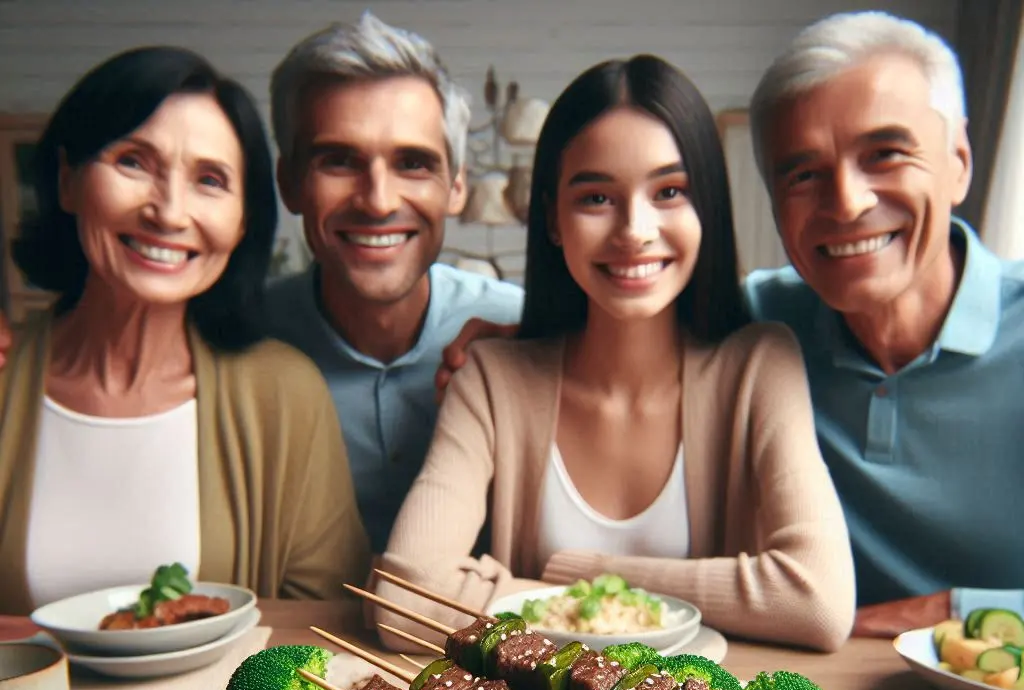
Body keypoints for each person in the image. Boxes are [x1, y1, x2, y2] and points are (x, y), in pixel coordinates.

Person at [376, 55, 856, 652]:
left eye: (670, 191)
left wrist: (577, 575)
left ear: (707, 207)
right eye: (597, 197)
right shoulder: (494, 379)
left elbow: (817, 602)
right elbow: (403, 600)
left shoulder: (760, 366)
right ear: (552, 218)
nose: (634, 229)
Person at [0, 47, 370, 613]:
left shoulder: (284, 392)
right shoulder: (6, 375)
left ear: (243, 219)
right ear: (68, 179)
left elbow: (326, 618)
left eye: (210, 180)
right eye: (133, 162)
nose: (169, 213)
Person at [745, 10, 1024, 636]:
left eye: (885, 154)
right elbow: (617, 330)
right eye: (804, 174)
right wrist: (519, 334)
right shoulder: (757, 322)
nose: (846, 201)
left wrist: (947, 612)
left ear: (959, 163)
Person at [264, 12, 523, 552]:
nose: (378, 200)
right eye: (339, 161)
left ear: (455, 186)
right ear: (289, 183)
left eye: (412, 163)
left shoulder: (525, 333)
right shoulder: (237, 344)